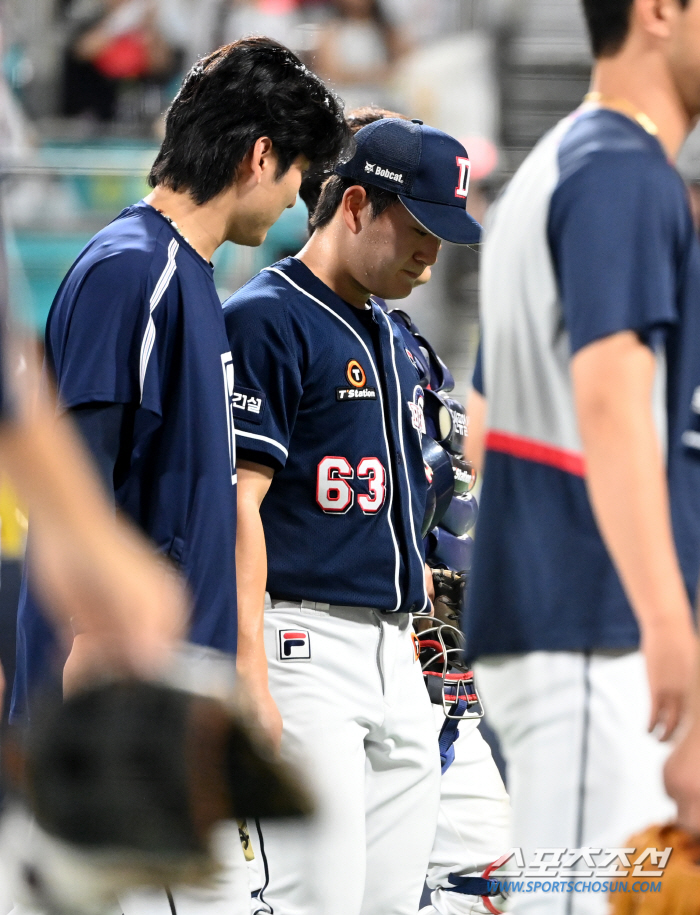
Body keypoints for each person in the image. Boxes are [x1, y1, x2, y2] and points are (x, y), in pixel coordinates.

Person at [11, 35, 347, 915]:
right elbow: (79, 496)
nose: (288, 204)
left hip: (167, 722)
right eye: (295, 173)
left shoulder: (184, 277)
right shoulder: (136, 273)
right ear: (259, 155)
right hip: (119, 732)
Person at [465, 0, 700, 912]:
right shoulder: (623, 173)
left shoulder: (559, 166)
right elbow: (608, 400)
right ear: (658, 13)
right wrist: (667, 616)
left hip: (569, 618)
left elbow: (482, 428)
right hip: (593, 627)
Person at [223, 116, 481, 915]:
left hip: (394, 651)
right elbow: (238, 509)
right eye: (421, 229)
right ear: (358, 204)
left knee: (391, 901)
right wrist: (248, 669)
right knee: (317, 900)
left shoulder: (389, 334)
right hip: (302, 644)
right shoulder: (267, 316)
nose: (431, 257)